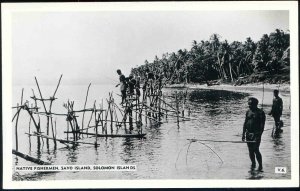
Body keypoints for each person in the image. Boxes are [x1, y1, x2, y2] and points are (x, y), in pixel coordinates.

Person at [242, 97, 266, 171]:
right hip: (248, 134)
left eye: (251, 104)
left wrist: (258, 136)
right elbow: (245, 123)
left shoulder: (260, 113)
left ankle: (260, 166)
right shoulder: (248, 112)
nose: (249, 106)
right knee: (250, 150)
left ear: (255, 104)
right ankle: (253, 165)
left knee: (256, 150)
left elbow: (262, 126)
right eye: (249, 104)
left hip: (256, 134)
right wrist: (243, 134)